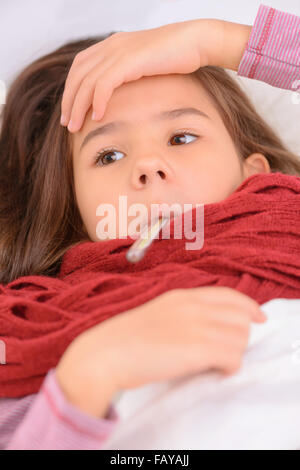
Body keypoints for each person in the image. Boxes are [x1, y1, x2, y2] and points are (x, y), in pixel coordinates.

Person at [1, 3, 299, 450]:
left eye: (181, 137)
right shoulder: (31, 330)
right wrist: (89, 373)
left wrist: (217, 42)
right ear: (75, 215)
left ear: (253, 173)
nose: (148, 166)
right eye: (109, 155)